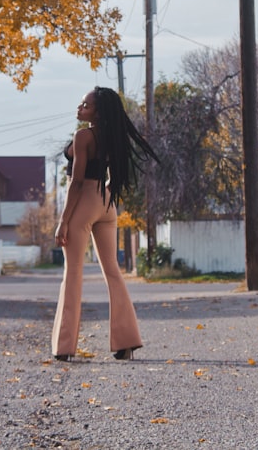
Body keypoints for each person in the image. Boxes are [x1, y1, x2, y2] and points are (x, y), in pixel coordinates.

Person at [51, 86, 159, 362]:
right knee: (113, 271)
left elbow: (76, 181)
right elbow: (112, 172)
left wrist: (63, 221)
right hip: (107, 201)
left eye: (85, 105)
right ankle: (127, 342)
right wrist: (105, 192)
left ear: (98, 113)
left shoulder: (83, 136)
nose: (79, 108)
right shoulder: (114, 136)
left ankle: (64, 347)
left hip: (85, 200)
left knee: (73, 272)